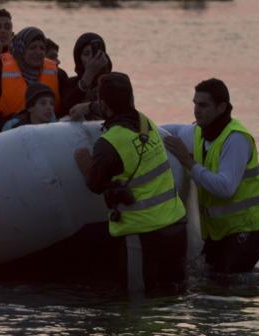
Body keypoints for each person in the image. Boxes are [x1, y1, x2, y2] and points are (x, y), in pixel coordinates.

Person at [74, 72, 187, 293]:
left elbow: (95, 185)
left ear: (104, 104)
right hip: (175, 226)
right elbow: (115, 109)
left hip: (143, 236)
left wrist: (84, 163)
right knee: (172, 297)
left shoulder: (110, 143)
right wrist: (88, 108)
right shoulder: (147, 124)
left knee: (139, 307)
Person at [162, 79, 259, 274]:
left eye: (203, 105)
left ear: (221, 107)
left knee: (223, 289)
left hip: (246, 234)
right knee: (204, 283)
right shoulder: (200, 132)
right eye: (194, 104)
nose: (196, 110)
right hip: (218, 233)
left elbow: (225, 188)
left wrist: (188, 162)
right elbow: (168, 132)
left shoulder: (236, 138)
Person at [64, 33, 112, 120]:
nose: (91, 57)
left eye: (95, 53)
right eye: (86, 54)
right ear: (78, 58)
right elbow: (66, 108)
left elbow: (119, 108)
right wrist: (89, 74)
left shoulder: (115, 81)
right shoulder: (70, 83)